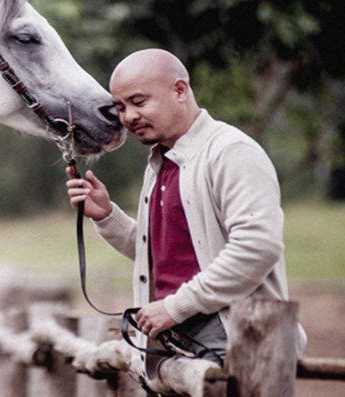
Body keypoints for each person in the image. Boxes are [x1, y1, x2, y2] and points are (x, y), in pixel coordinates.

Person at [66, 48, 306, 366]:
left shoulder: (231, 152)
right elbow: (163, 254)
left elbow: (257, 247)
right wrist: (108, 215)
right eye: (120, 107)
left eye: (139, 102)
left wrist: (175, 306)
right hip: (176, 339)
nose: (128, 117)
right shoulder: (161, 161)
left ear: (180, 90)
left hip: (238, 338)